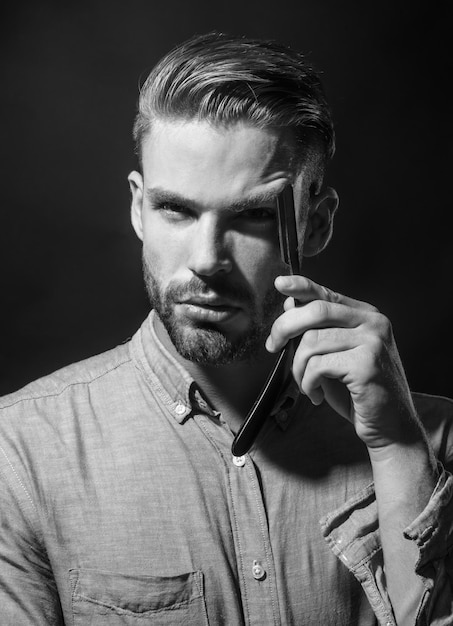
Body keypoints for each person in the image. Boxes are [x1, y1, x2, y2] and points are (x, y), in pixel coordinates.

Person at [0, 32, 452, 626]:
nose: (207, 259)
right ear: (139, 209)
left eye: (252, 217)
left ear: (314, 224)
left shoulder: (433, 443)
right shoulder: (21, 453)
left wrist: (397, 450)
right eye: (176, 210)